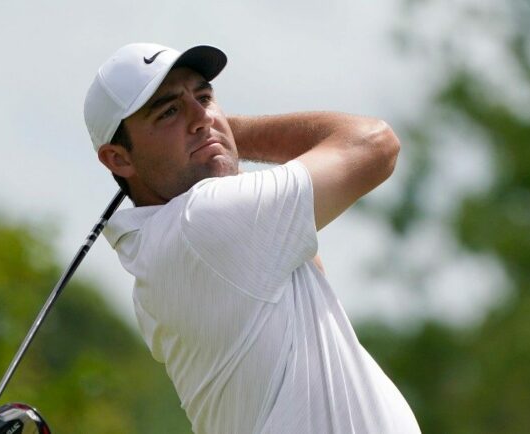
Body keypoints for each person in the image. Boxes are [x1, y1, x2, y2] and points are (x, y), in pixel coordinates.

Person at [84, 42, 421, 434]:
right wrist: (229, 132)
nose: (202, 117)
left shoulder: (172, 243)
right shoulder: (201, 221)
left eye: (205, 96)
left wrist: (208, 136)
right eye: (170, 111)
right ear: (119, 159)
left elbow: (306, 258)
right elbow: (374, 144)